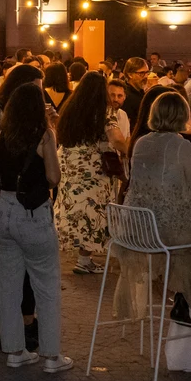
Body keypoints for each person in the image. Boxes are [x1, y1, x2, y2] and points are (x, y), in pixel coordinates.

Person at [0, 82, 70, 373]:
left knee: (8, 285)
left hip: (5, 212)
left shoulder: (1, 137)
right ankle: (51, 356)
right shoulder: (44, 136)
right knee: (46, 286)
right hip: (34, 213)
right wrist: (51, 132)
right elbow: (53, 177)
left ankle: (14, 350)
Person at [124, 91, 191, 327]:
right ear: (182, 115)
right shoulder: (180, 145)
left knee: (190, 226)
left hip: (139, 228)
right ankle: (182, 301)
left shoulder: (140, 143)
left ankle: (181, 300)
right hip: (165, 234)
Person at [0, 62, 46, 350]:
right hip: (2, 196)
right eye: (36, 90)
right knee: (3, 266)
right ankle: (9, 326)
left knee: (20, 264)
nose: (41, 97)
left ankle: (21, 322)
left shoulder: (29, 119)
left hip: (23, 199)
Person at [53, 71, 115, 274]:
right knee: (93, 211)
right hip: (92, 169)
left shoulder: (70, 109)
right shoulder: (102, 113)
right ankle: (84, 258)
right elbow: (116, 138)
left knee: (72, 206)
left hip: (69, 163)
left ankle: (80, 257)